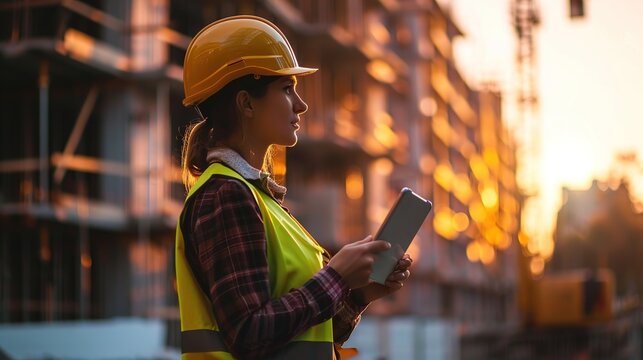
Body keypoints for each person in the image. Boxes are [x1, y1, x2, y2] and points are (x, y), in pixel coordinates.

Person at [175, 15, 413, 360]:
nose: (301, 104)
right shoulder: (225, 196)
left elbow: (300, 336)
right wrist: (336, 276)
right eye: (287, 89)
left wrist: (359, 294)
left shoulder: (258, 198)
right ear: (246, 104)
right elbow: (248, 335)